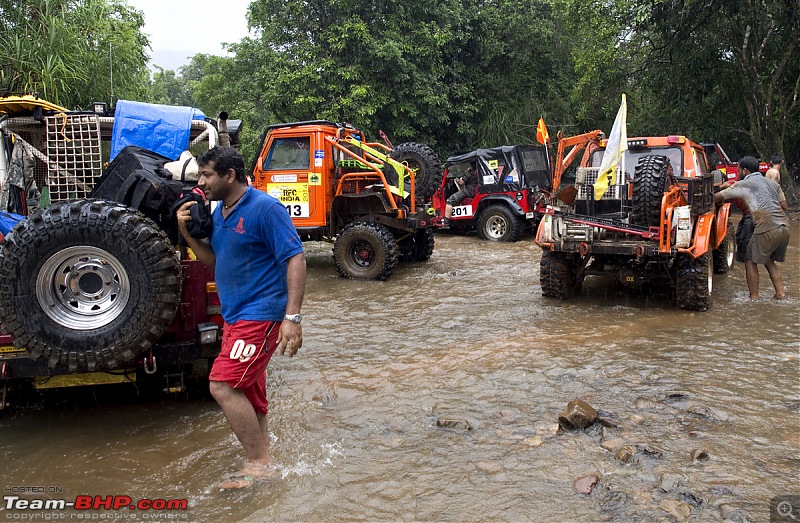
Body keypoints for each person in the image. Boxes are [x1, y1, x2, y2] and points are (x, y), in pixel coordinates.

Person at [176, 146, 306, 488]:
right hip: (235, 317)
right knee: (247, 392)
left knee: (222, 384)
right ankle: (265, 460)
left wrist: (292, 317)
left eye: (207, 175)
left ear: (229, 175)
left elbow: (295, 257)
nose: (201, 183)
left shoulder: (265, 209)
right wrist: (188, 234)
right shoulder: (220, 214)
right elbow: (216, 263)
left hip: (260, 315)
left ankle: (258, 462)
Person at [714, 156, 789, 300]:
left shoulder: (744, 184)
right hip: (784, 226)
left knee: (750, 260)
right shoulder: (771, 183)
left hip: (766, 226)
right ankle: (781, 294)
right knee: (768, 260)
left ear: (745, 170)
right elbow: (784, 205)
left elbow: (718, 197)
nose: (738, 173)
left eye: (739, 170)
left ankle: (754, 298)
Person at [443, 162, 478, 228]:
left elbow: (461, 182)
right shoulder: (480, 171)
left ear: (472, 164)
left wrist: (456, 179)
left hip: (468, 191)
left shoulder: (470, 172)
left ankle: (446, 222)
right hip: (475, 191)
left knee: (450, 201)